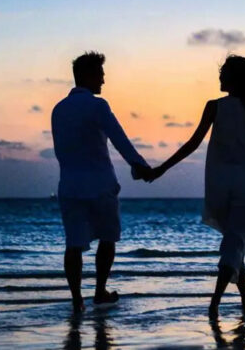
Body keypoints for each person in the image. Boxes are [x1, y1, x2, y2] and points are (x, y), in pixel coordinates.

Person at [145, 54, 245, 317]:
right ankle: (214, 305)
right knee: (234, 243)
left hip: (218, 187)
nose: (219, 77)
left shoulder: (214, 106)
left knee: (234, 242)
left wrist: (161, 169)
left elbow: (192, 144)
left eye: (223, 73)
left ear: (234, 78)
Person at [51, 51, 151, 314]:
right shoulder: (98, 105)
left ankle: (76, 300)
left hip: (69, 186)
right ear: (87, 75)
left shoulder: (58, 110)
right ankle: (99, 291)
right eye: (100, 75)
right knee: (107, 238)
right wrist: (138, 165)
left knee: (73, 244)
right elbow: (119, 138)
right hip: (100, 184)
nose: (103, 81)